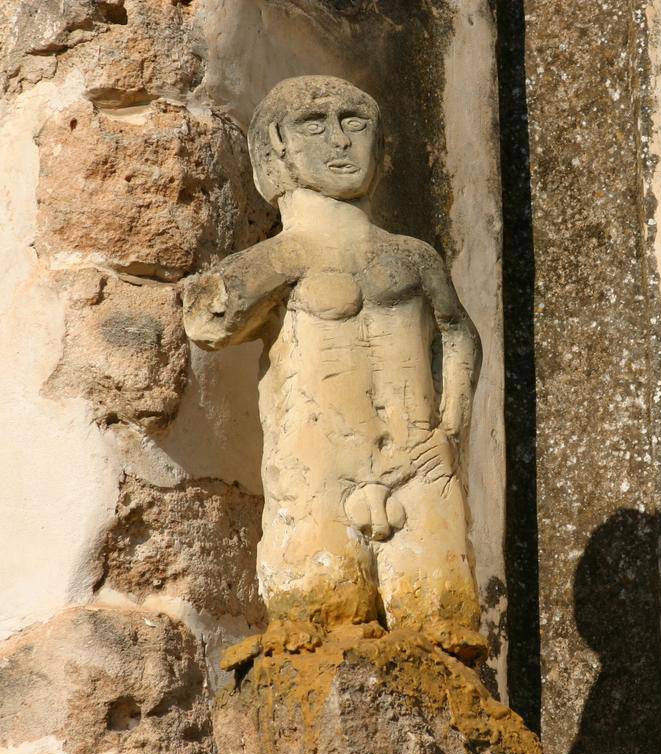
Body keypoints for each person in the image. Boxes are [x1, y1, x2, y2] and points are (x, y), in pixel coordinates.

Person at [182, 75, 485, 664]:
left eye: (354, 122)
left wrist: (451, 430)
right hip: (320, 470)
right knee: (316, 625)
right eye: (314, 126)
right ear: (277, 148)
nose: (340, 141)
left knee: (446, 631)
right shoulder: (284, 256)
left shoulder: (412, 256)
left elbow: (458, 335)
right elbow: (207, 322)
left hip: (419, 463)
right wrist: (260, 269)